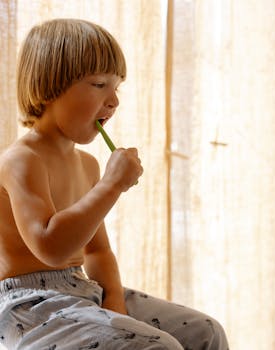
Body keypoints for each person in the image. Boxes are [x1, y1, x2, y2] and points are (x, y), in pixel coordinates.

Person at [0, 18, 229, 350]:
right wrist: (111, 186)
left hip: (81, 289)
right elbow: (51, 247)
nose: (114, 101)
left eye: (116, 86)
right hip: (29, 307)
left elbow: (98, 250)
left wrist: (115, 301)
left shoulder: (87, 164)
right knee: (160, 347)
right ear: (51, 86)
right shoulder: (22, 159)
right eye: (98, 85)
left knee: (206, 331)